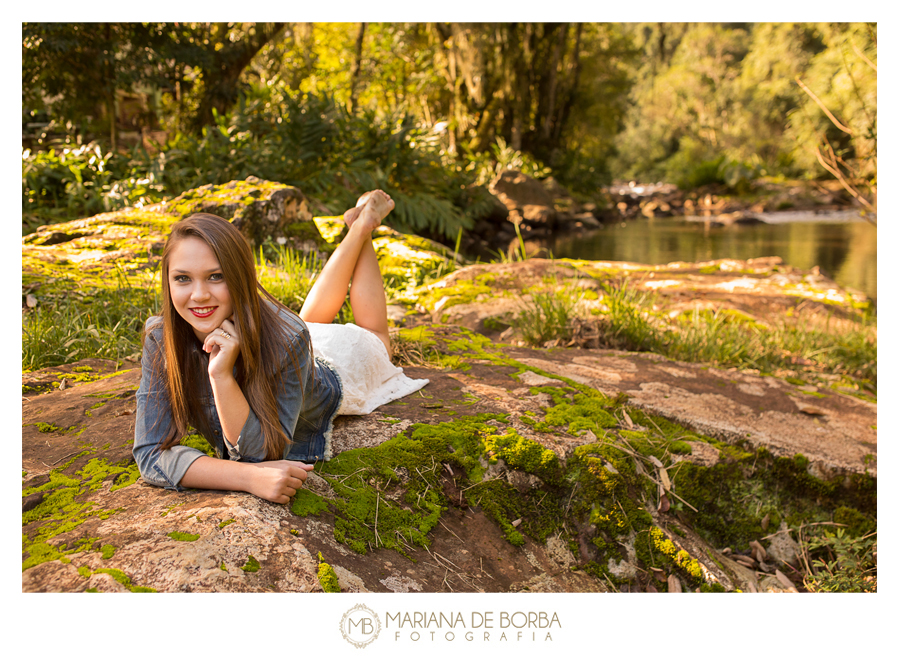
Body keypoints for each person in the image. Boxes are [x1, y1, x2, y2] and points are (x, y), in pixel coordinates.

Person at [133, 190, 428, 504]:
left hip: (339, 364)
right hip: (298, 340)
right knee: (309, 322)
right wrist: (246, 478)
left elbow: (259, 455)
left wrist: (221, 377)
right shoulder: (160, 336)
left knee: (375, 336)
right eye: (182, 279)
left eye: (216, 276)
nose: (200, 294)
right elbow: (150, 453)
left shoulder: (288, 337)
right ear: (167, 280)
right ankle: (358, 225)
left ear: (240, 277)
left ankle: (363, 228)